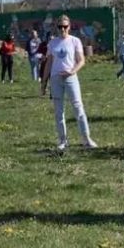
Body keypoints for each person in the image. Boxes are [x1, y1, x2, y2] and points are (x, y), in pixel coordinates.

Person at [40, 15, 98, 151]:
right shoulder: (53, 43)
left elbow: (81, 60)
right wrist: (43, 83)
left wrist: (72, 71)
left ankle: (86, 139)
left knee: (78, 107)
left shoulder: (75, 41)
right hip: (56, 79)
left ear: (69, 27)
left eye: (65, 27)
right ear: (57, 27)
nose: (62, 29)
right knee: (59, 111)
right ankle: (62, 140)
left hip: (71, 78)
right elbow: (49, 63)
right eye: (60, 27)